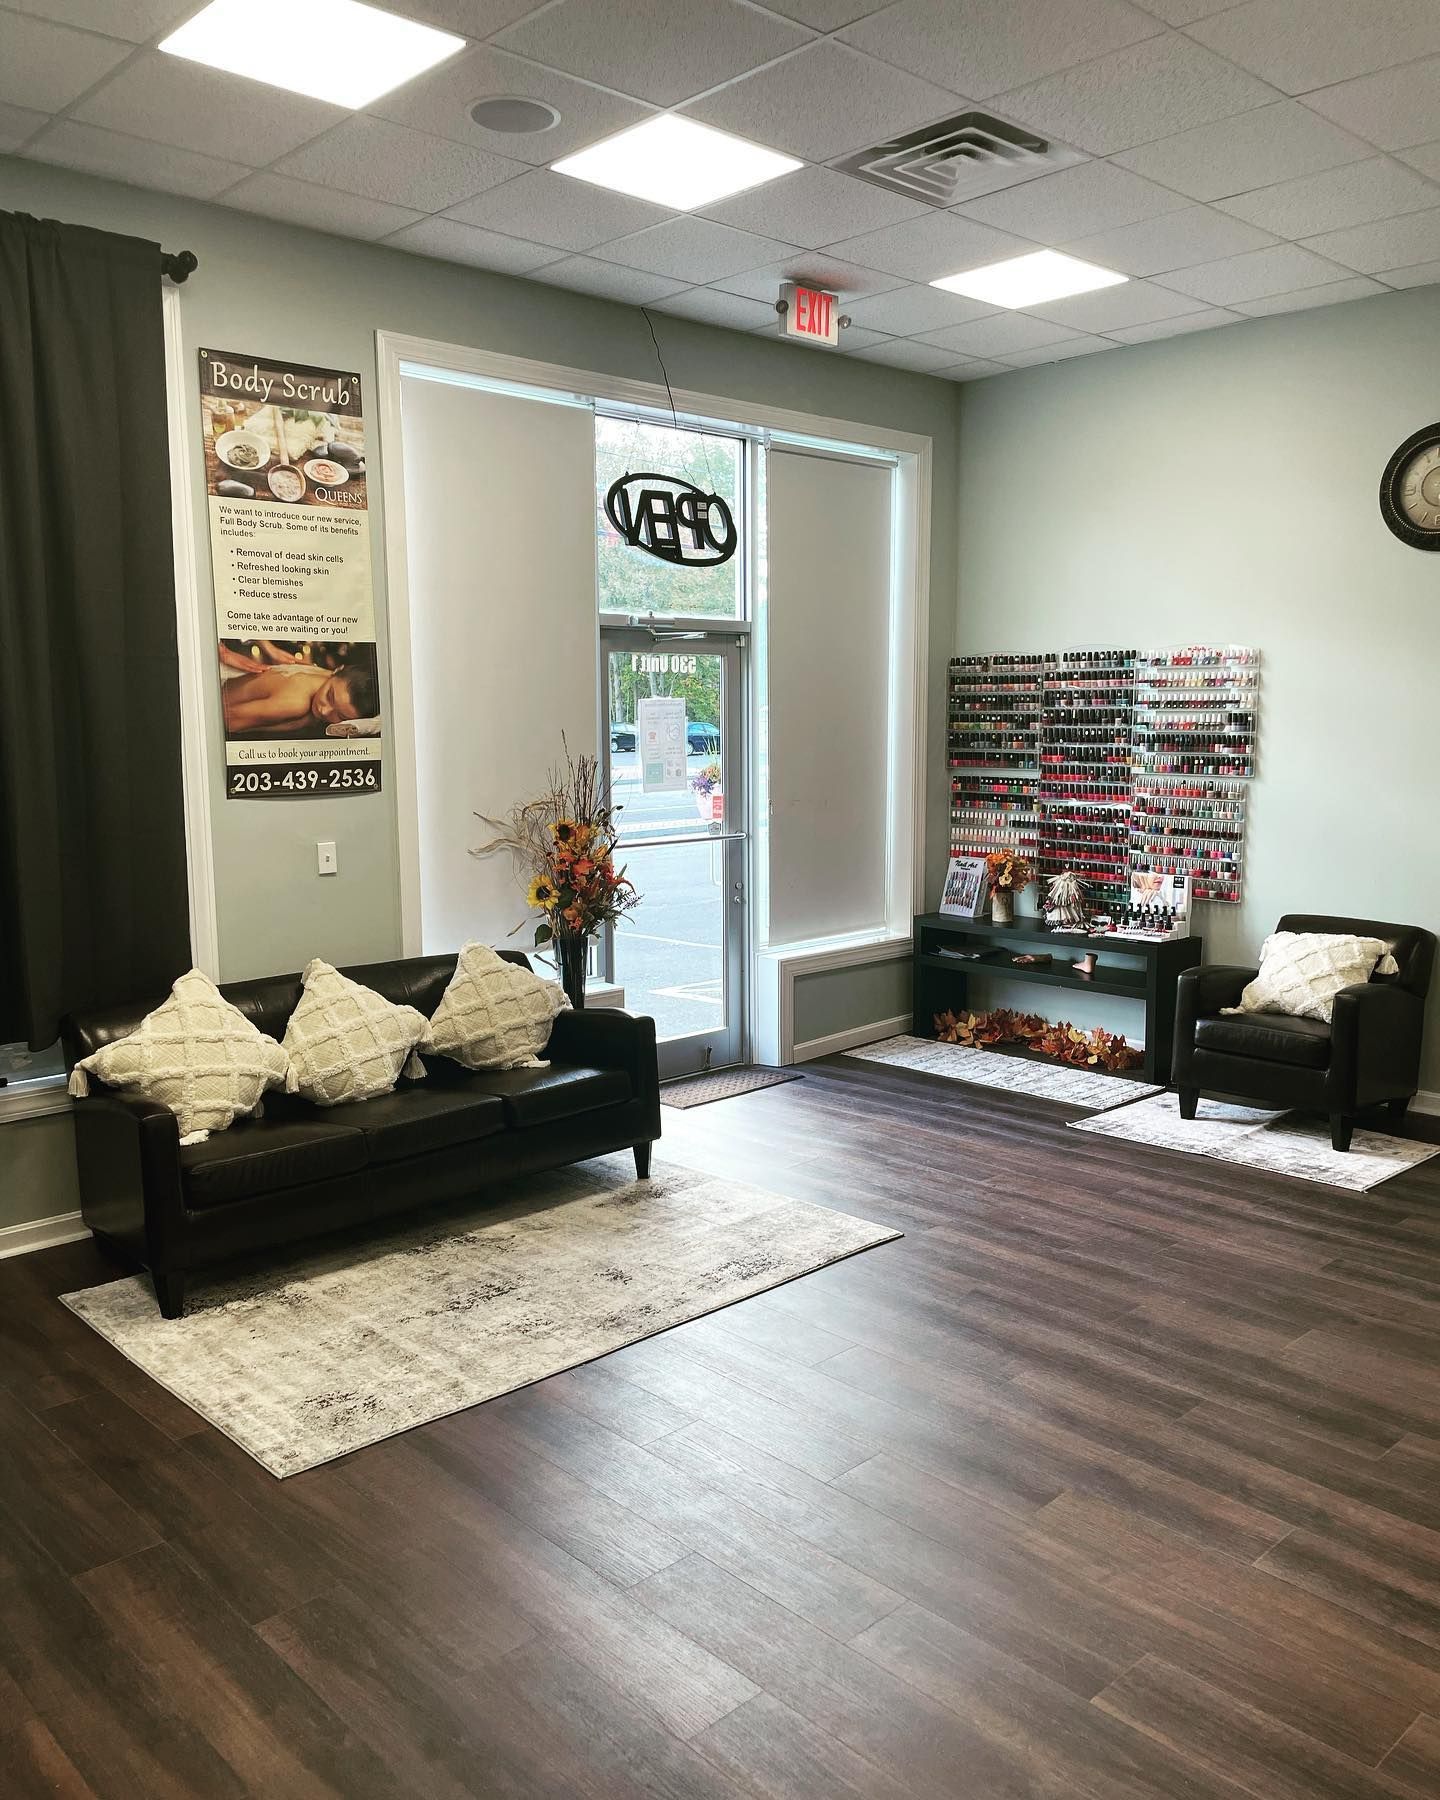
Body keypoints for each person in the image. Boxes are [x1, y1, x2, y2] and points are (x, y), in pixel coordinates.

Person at [222, 659, 377, 737]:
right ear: (338, 670)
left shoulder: (319, 671)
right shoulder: (297, 704)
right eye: (329, 696)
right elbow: (226, 719)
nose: (324, 711)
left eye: (340, 716)